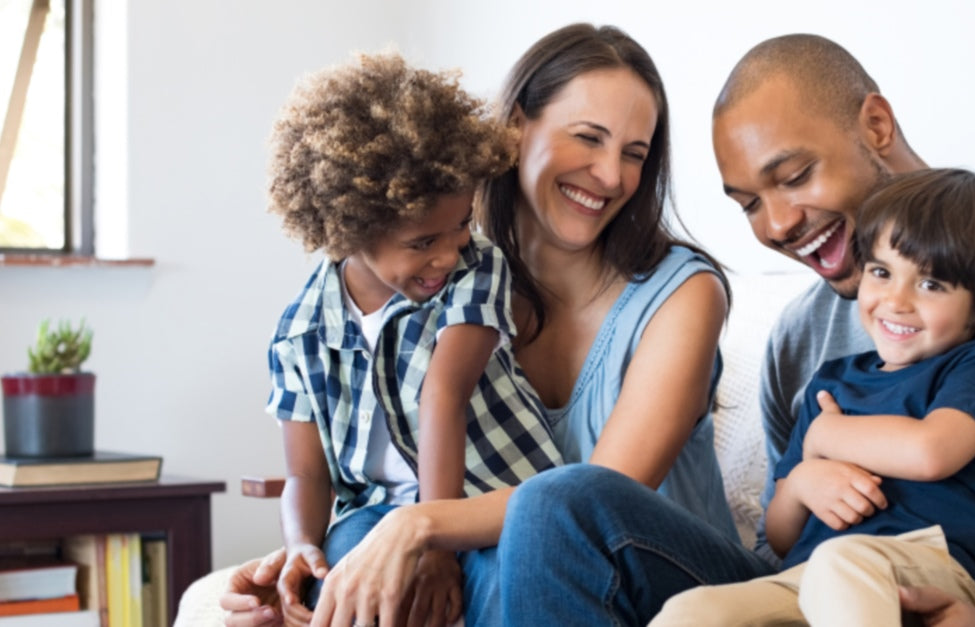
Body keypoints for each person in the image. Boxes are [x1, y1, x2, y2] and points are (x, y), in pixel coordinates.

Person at [495, 33, 975, 627]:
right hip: (812, 592)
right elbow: (782, 540)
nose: (775, 226)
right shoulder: (801, 338)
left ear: (876, 127)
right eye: (748, 205)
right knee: (561, 503)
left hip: (974, 592)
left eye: (794, 175)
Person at [223, 23, 737, 627]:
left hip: (671, 579)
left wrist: (417, 526)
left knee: (549, 507)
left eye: (634, 154)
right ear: (516, 126)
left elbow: (594, 503)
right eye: (588, 138)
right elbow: (353, 467)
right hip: (537, 579)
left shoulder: (684, 293)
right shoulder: (437, 275)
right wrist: (316, 576)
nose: (611, 176)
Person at [652, 167, 975, 626]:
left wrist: (827, 434)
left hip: (923, 564)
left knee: (842, 564)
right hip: (809, 574)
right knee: (694, 610)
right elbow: (780, 537)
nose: (896, 300)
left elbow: (931, 452)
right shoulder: (831, 382)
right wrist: (805, 482)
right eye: (881, 272)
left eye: (931, 284)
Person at [261, 53, 561, 625]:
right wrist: (302, 545)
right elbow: (306, 473)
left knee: (506, 577)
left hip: (487, 500)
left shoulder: (477, 270)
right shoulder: (299, 333)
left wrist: (435, 543)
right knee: (342, 578)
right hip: (372, 510)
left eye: (460, 225)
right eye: (423, 242)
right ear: (350, 228)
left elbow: (441, 396)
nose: (447, 255)